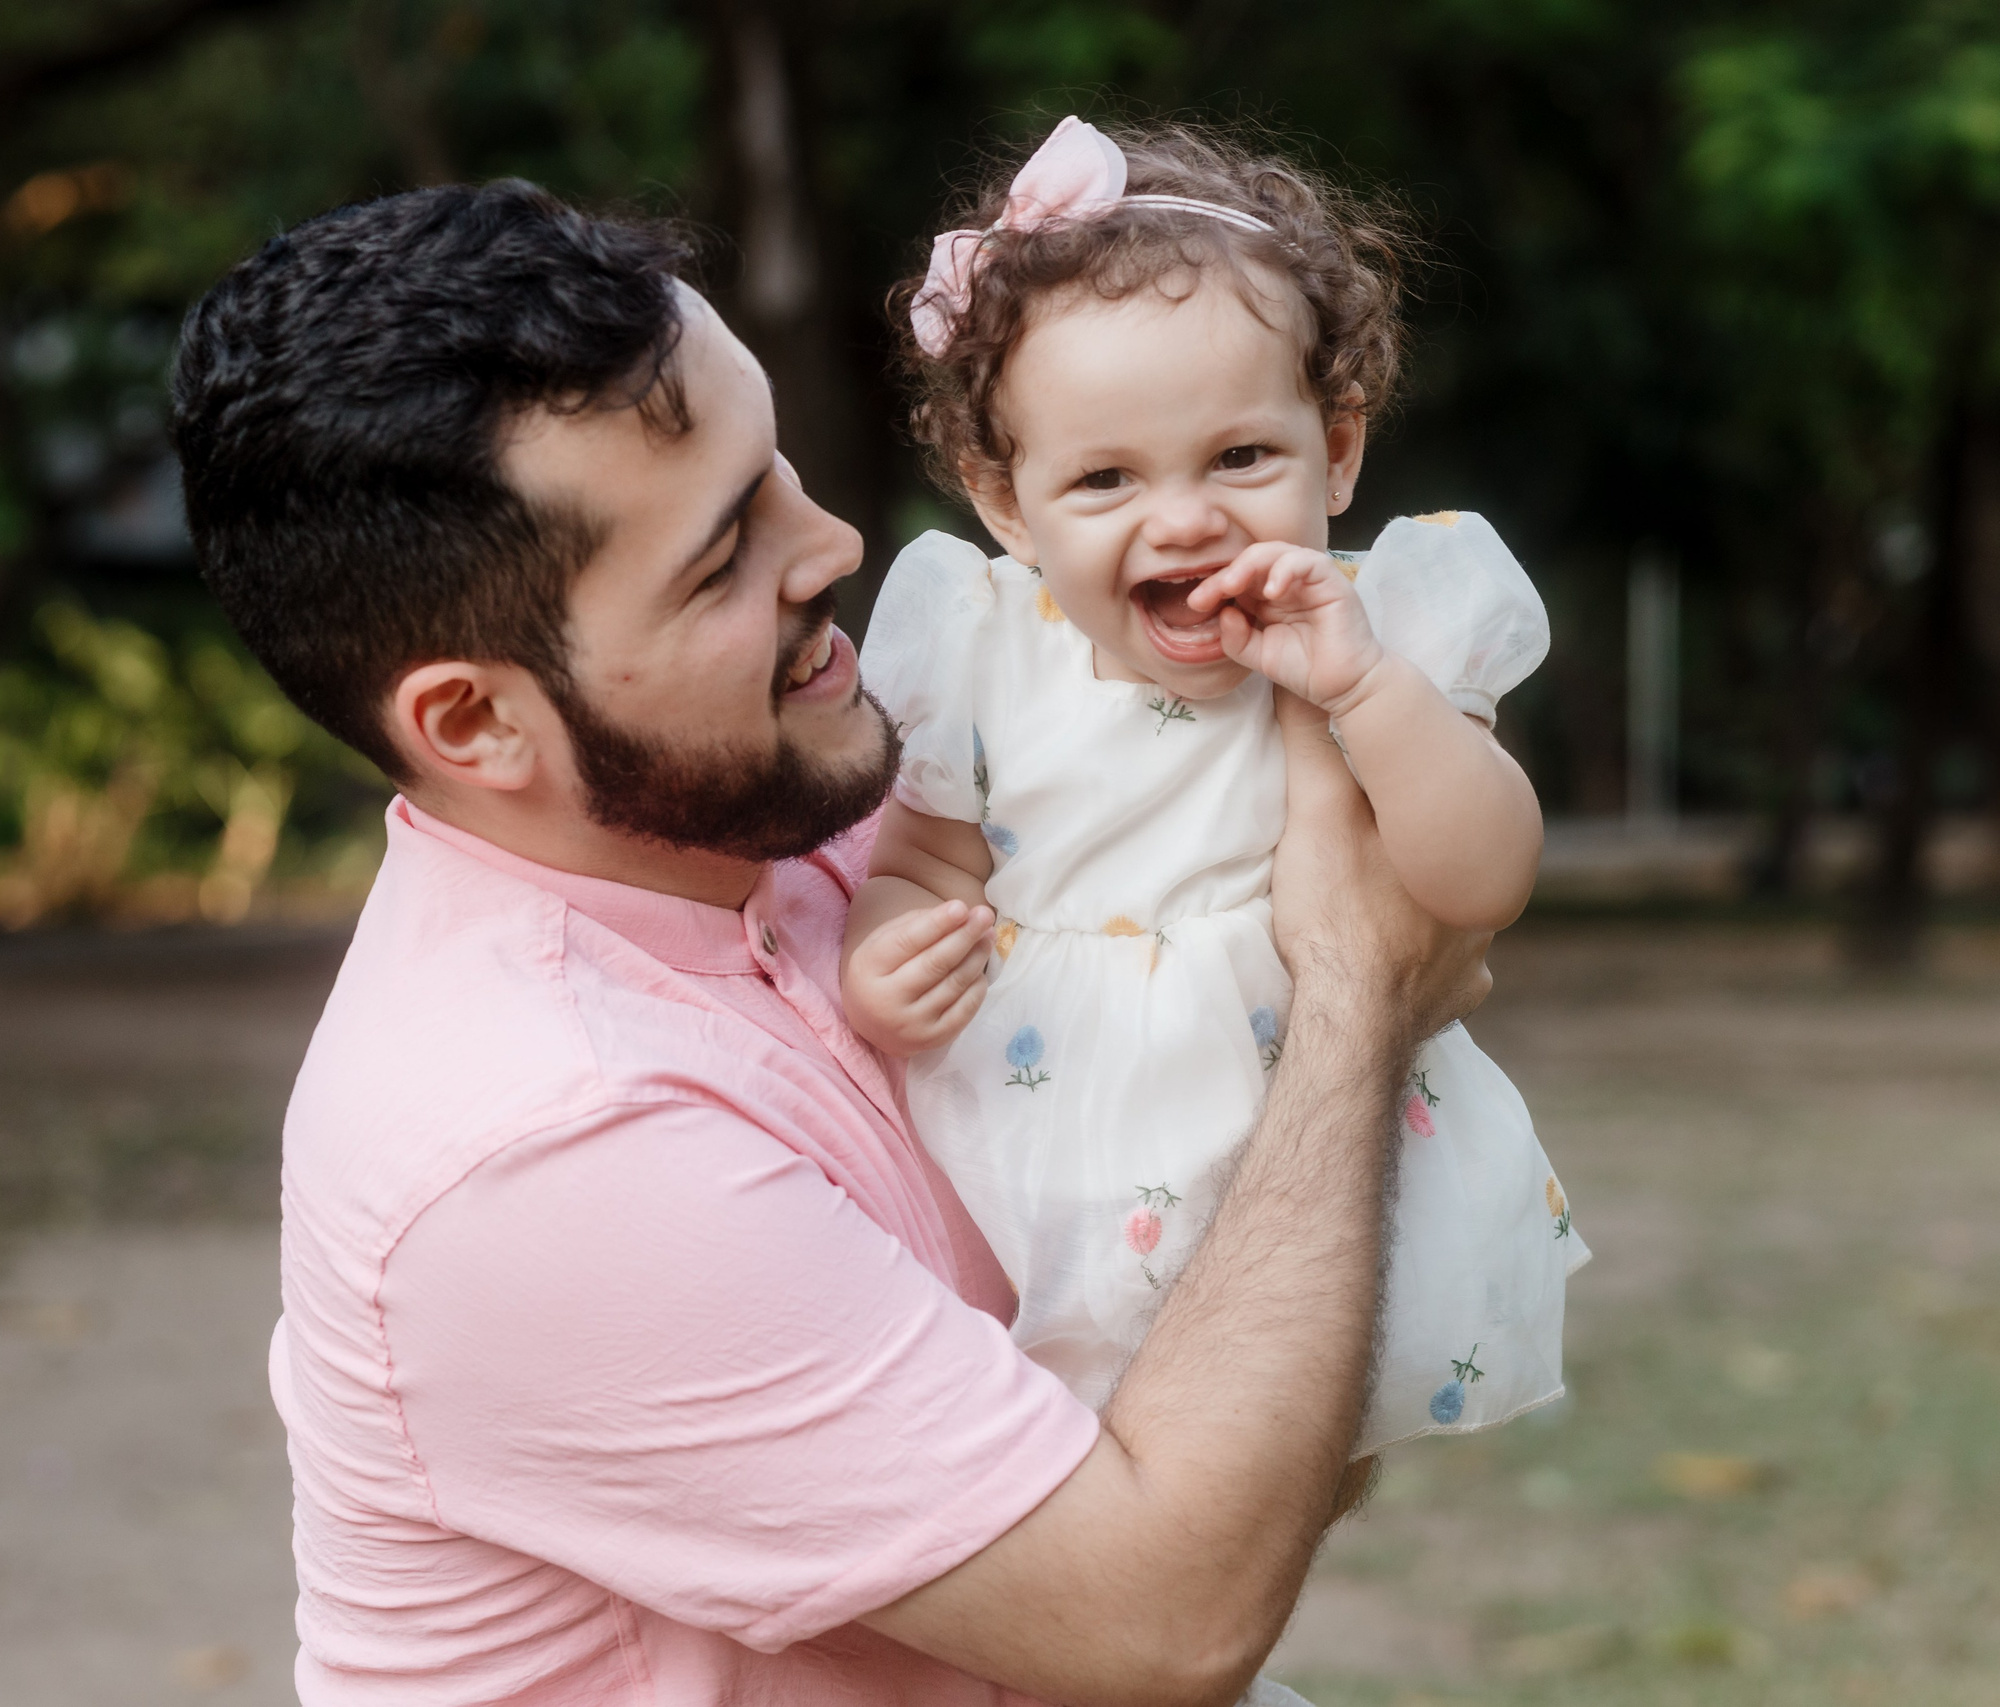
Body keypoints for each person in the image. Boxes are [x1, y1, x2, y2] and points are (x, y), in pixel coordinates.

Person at [173, 178, 1490, 1706]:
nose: (836, 545)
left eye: (777, 467)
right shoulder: (543, 1146)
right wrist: (1353, 998)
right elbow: (1168, 1618)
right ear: (474, 721)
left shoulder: (832, 808)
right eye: (721, 559)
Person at [843, 117, 1586, 1446]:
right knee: (1082, 1491)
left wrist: (1364, 693)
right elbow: (920, 863)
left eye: (1242, 458)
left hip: (1318, 1160)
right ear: (1008, 505)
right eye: (1107, 477)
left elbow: (1486, 878)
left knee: (1259, 1463)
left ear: (1337, 450)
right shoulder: (986, 647)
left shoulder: (1382, 629)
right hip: (1049, 1148)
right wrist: (890, 948)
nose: (1183, 518)